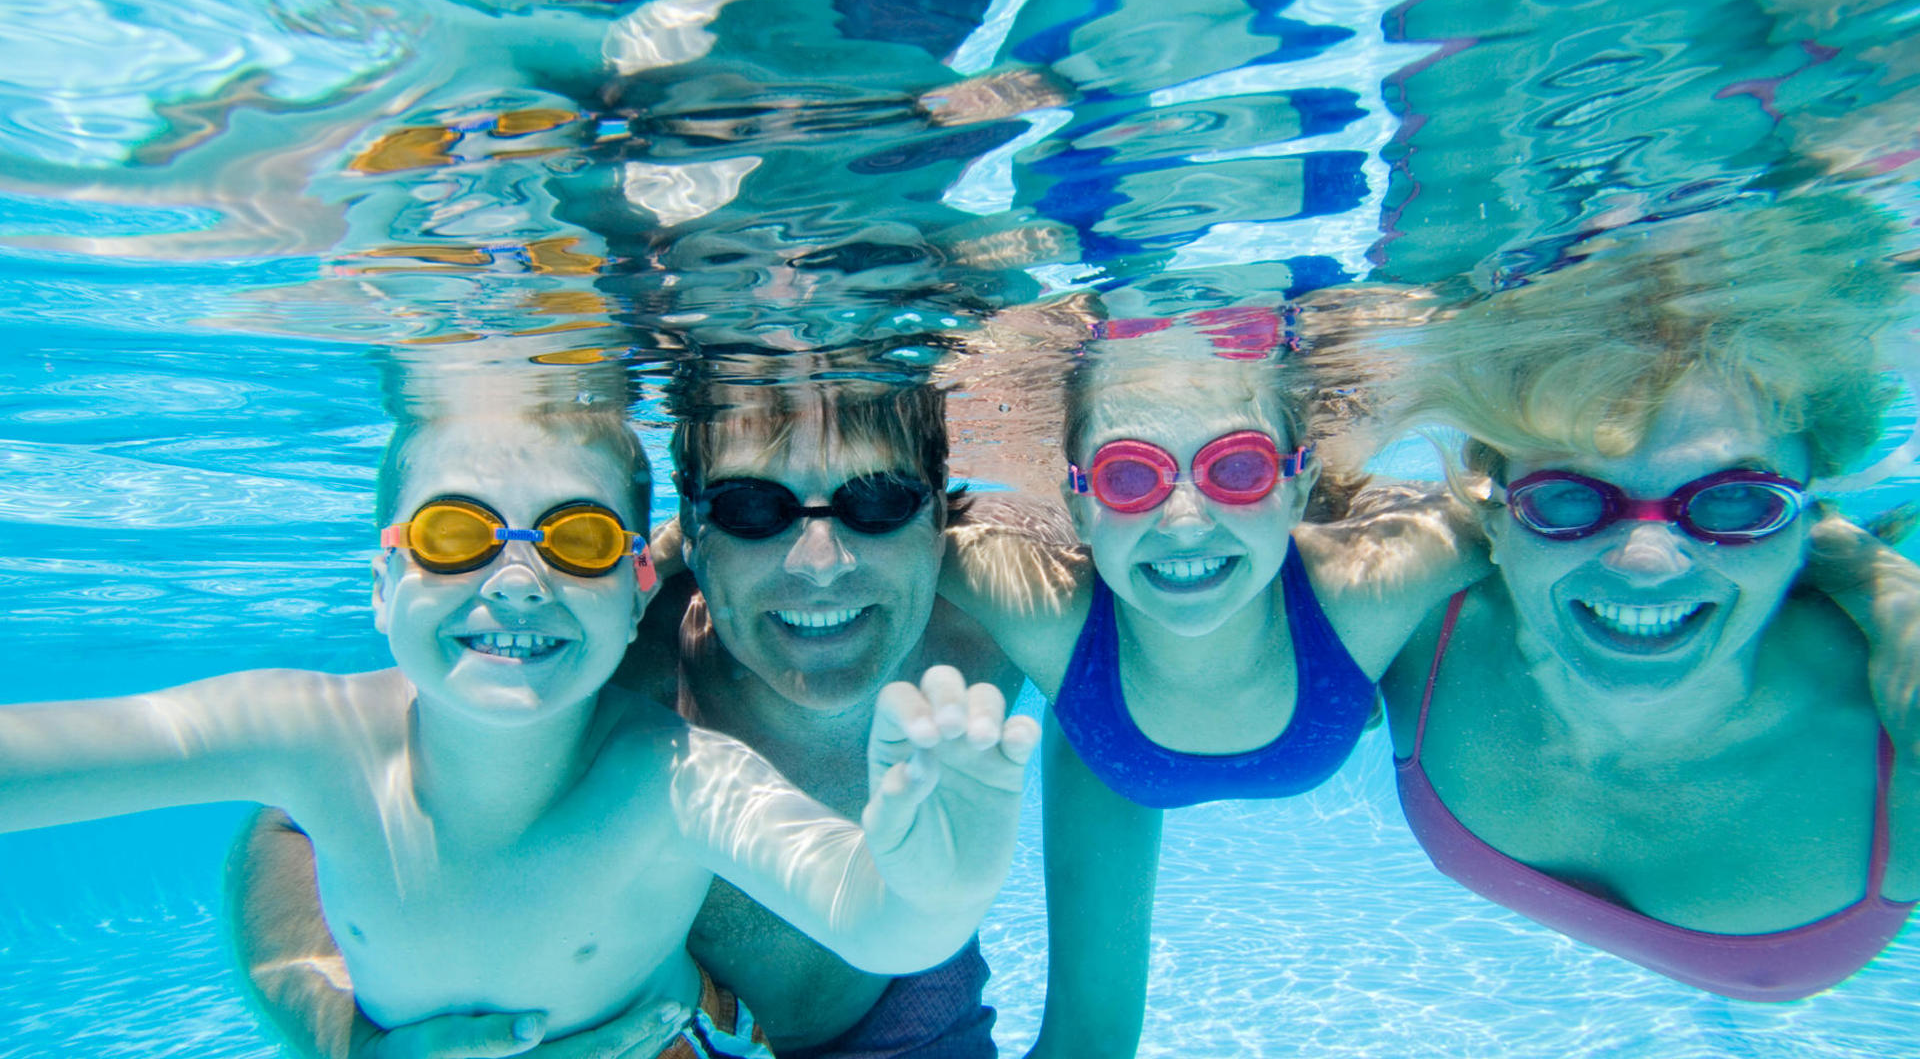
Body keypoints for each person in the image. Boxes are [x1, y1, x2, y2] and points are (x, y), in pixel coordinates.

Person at [0, 397, 1038, 1056]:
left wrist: (941, 881)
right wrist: (347, 1043)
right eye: (456, 534)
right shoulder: (335, 723)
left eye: (576, 540)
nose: (516, 582)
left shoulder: (677, 774)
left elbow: (883, 919)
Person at [1377, 197, 1918, 1000]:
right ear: (1496, 509)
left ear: (1808, 513)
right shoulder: (1410, 615)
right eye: (1569, 499)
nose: (1645, 564)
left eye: (1737, 502)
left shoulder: (1893, 734)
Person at [937, 306, 1491, 1058]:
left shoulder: (1366, 589)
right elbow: (885, 542)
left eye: (1238, 469)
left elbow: (1526, 517)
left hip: (1210, 692)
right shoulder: (1048, 613)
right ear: (1077, 505)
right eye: (1129, 477)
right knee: (1090, 1048)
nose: (1186, 521)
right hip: (1110, 743)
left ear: (1298, 489)